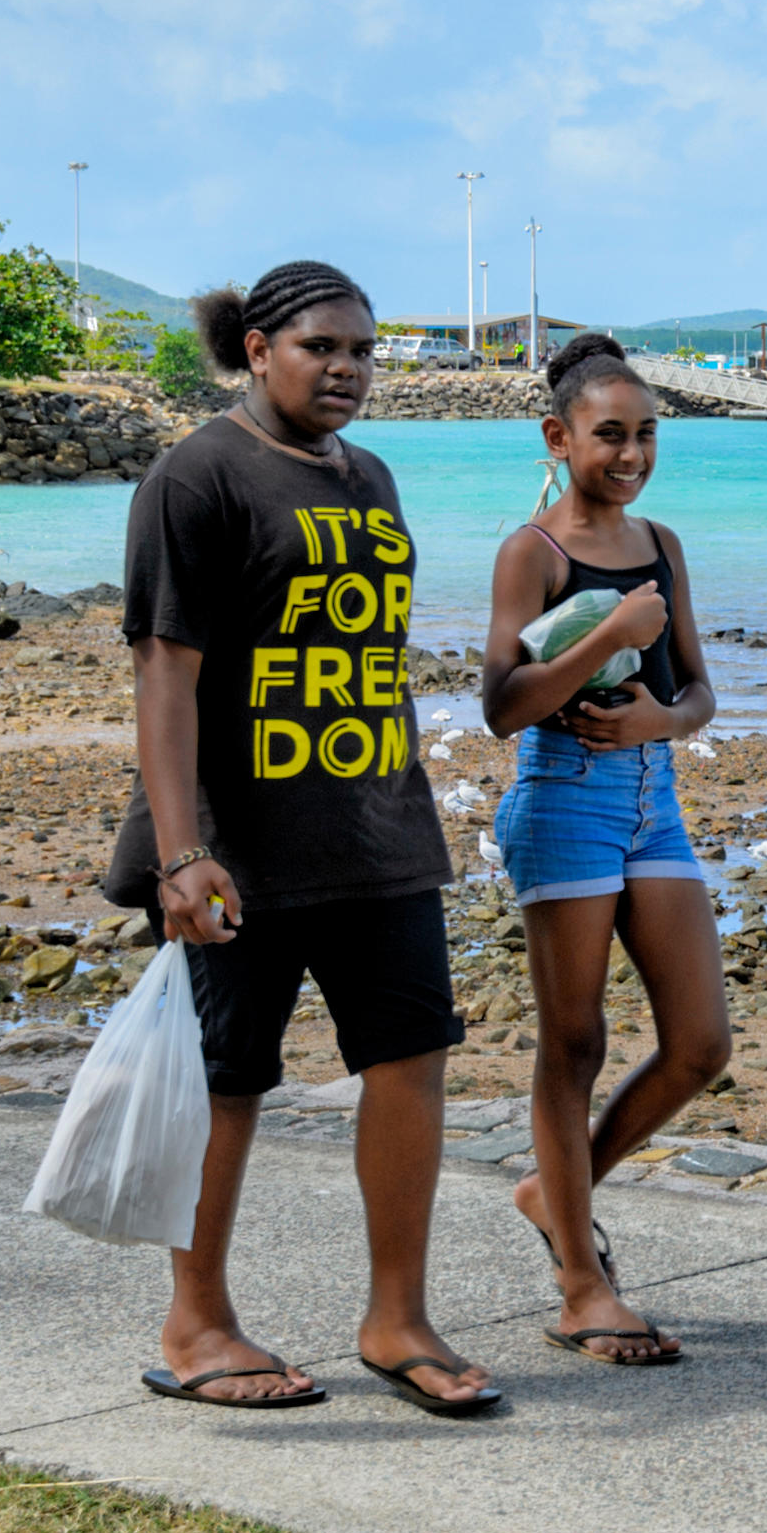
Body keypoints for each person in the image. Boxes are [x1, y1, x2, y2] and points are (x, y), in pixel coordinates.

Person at [101, 262, 500, 1418]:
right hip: (240, 846)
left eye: (364, 351)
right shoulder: (195, 477)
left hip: (377, 829)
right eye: (323, 346)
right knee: (227, 1084)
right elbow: (163, 675)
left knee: (411, 1059)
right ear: (258, 346)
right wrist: (182, 851)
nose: (347, 368)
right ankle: (196, 1322)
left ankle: (397, 1317)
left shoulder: (368, 474)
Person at [483, 330, 727, 1365]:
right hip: (564, 800)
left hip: (650, 799)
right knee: (573, 1045)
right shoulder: (531, 552)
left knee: (700, 1042)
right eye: (609, 434)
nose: (630, 454)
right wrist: (605, 639)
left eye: (646, 434)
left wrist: (658, 723)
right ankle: (583, 1285)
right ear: (559, 435)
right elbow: (500, 706)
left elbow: (700, 690)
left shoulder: (663, 544)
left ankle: (556, 1190)